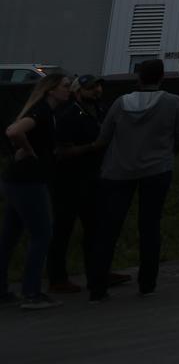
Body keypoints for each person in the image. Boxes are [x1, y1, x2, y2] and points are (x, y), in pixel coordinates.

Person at [88, 58, 179, 300]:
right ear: (162, 77)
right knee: (150, 226)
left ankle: (97, 286)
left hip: (118, 171)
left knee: (108, 228)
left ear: (139, 78)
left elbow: (104, 136)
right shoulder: (173, 102)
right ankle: (147, 283)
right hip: (157, 170)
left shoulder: (120, 103)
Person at [3, 70, 73, 310]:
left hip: (17, 179)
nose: (69, 89)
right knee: (42, 233)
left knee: (10, 235)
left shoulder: (47, 112)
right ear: (51, 89)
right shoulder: (42, 111)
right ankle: (31, 293)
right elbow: (14, 131)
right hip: (29, 181)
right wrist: (30, 151)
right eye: (65, 86)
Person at [48, 75, 111, 294]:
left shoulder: (100, 110)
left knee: (95, 227)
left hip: (93, 177)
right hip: (68, 180)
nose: (97, 91)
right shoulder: (68, 115)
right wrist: (93, 146)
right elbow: (62, 151)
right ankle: (57, 277)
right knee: (62, 228)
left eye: (98, 86)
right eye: (91, 88)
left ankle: (98, 272)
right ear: (78, 91)